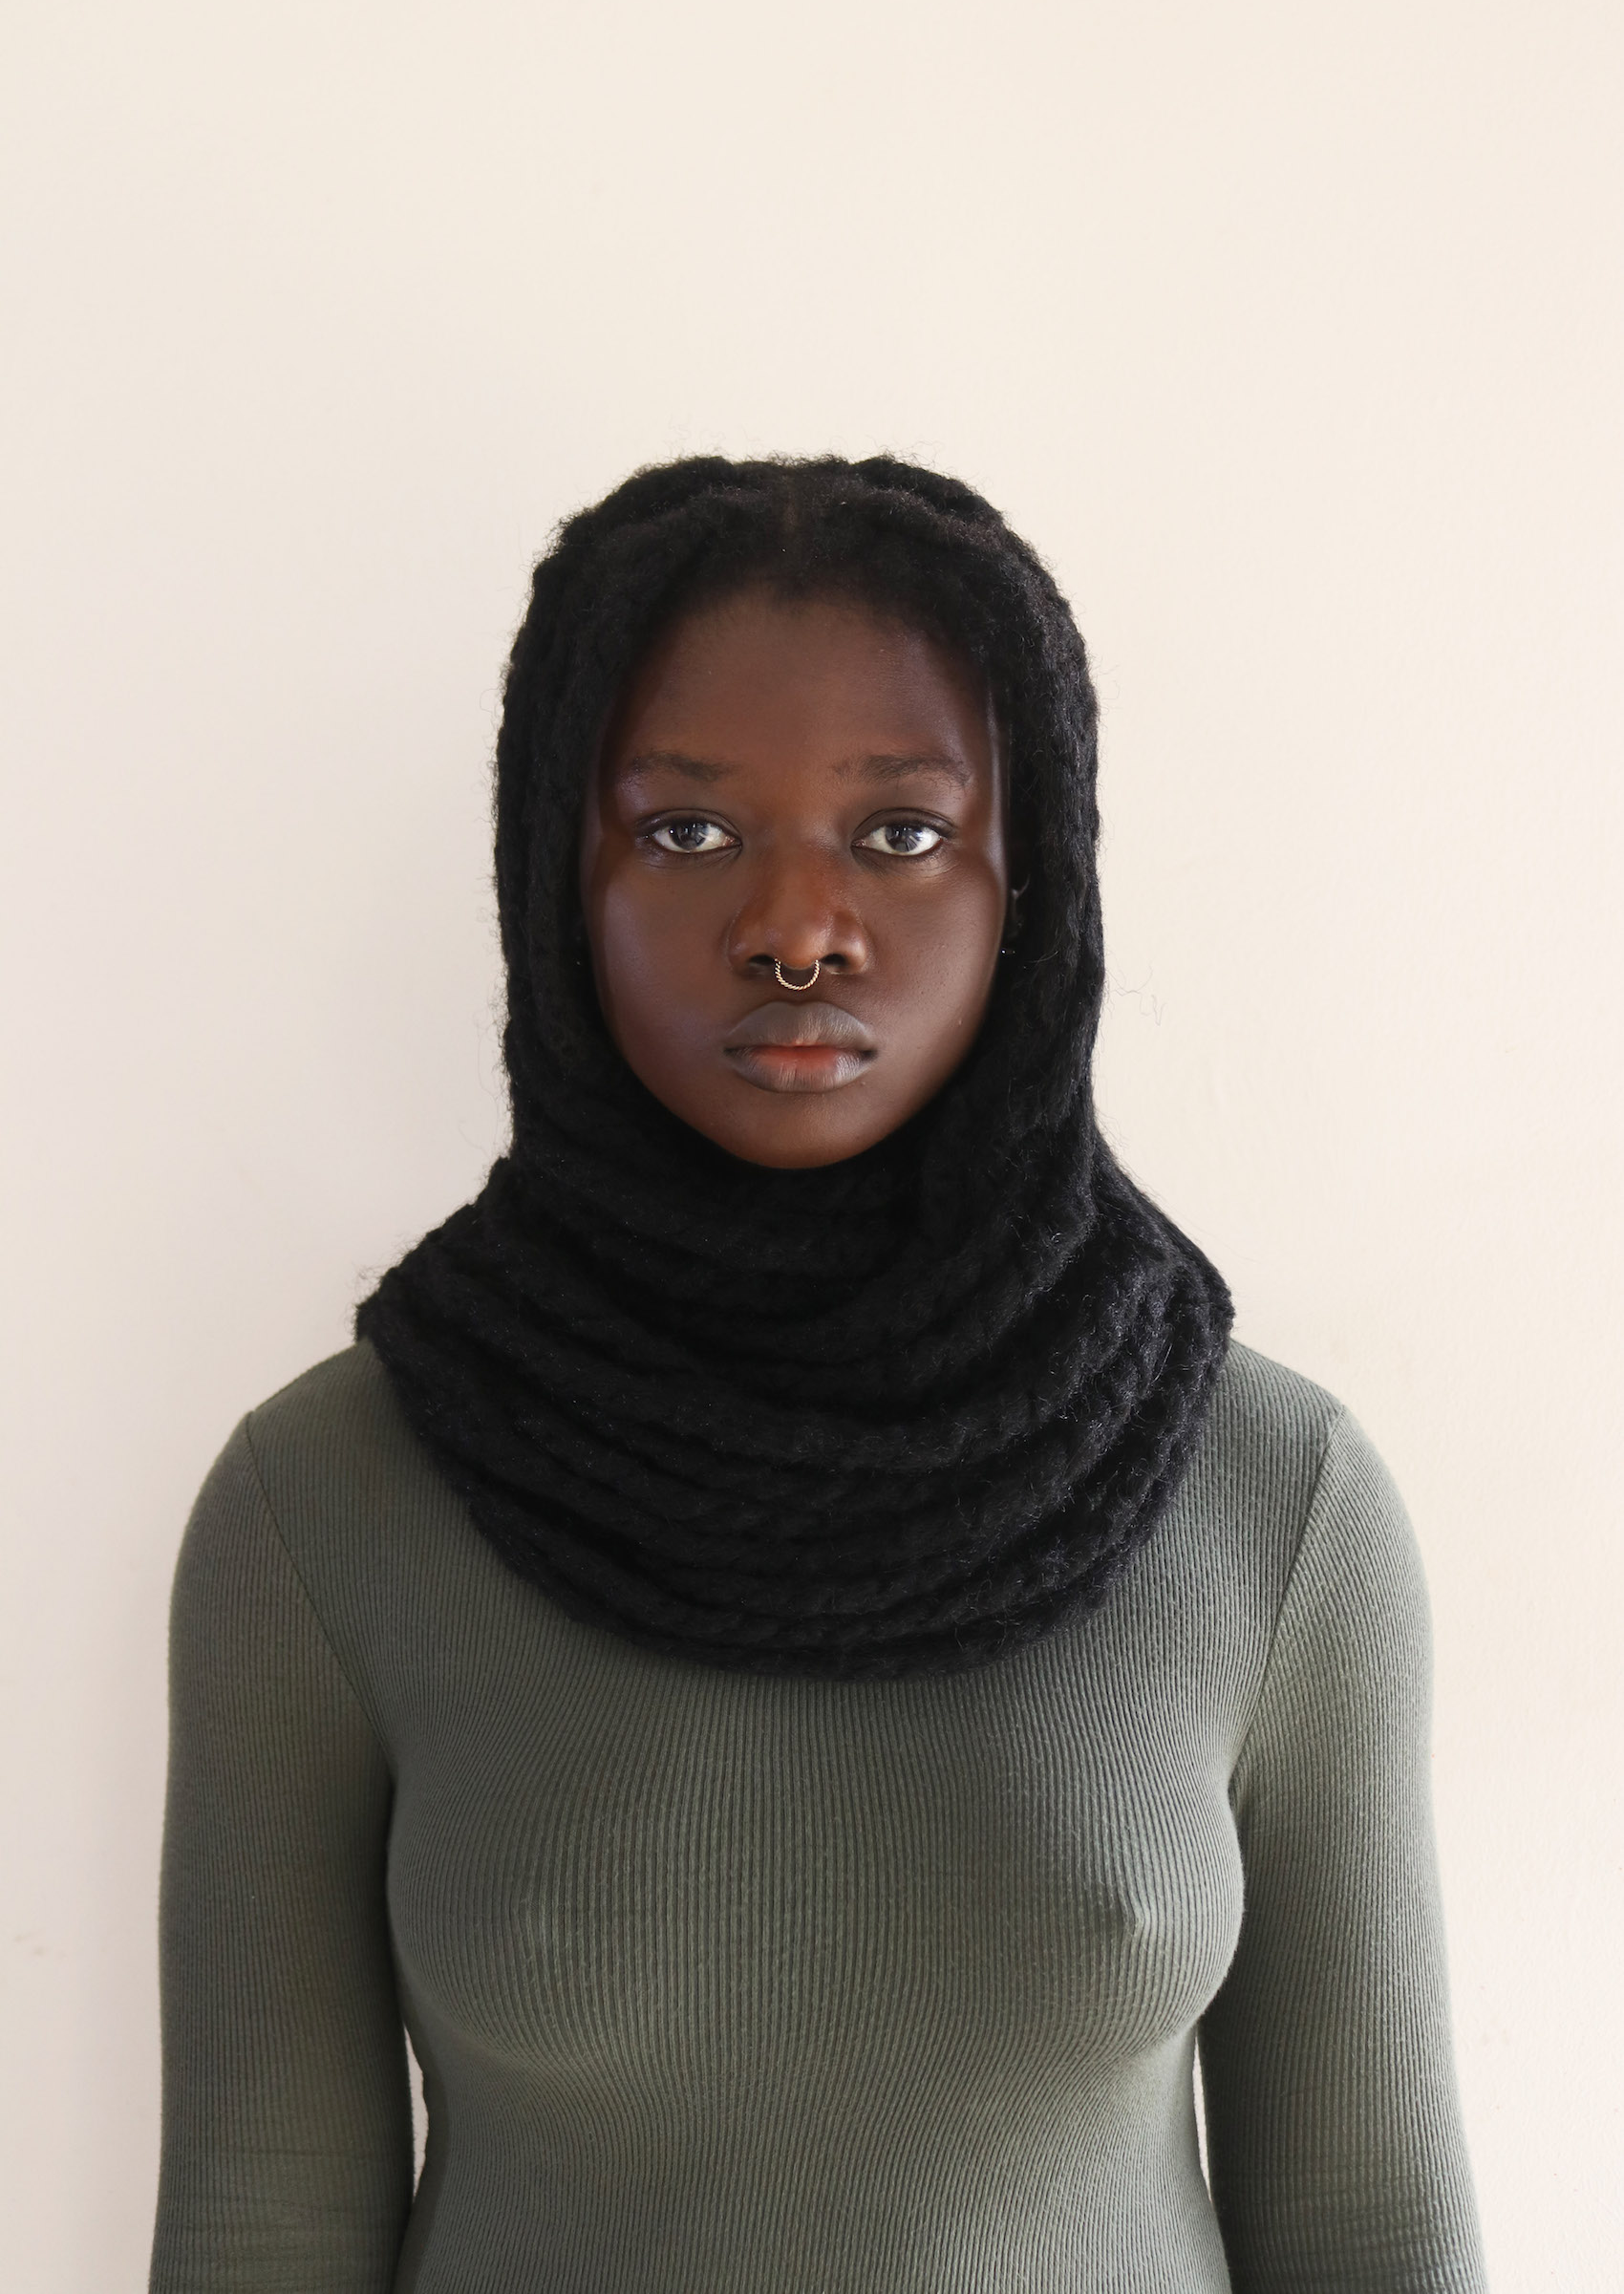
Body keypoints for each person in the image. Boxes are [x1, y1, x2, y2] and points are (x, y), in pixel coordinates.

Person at [149, 456, 1487, 2293]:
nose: (796, 927)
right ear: (555, 876)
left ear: (1035, 878)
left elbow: (1372, 2235)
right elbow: (257, 2232)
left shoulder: (1278, 1499)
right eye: (690, 832)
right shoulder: (326, 1503)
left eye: (901, 832)